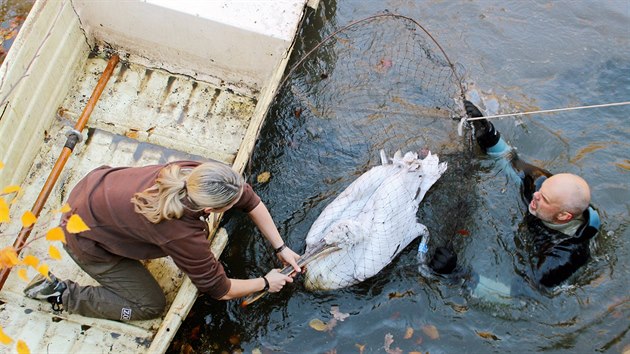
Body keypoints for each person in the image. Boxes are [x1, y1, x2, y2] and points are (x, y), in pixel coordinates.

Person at [23, 160, 301, 321]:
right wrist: (267, 282)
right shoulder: (179, 231)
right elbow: (220, 289)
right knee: (150, 306)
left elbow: (249, 199)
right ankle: (62, 294)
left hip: (92, 187)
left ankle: (119, 235)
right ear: (208, 210)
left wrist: (281, 247)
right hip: (83, 239)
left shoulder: (195, 174)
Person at [430, 100, 601, 299]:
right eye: (541, 190)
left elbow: (518, 295)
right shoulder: (541, 184)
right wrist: (488, 133)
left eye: (544, 199)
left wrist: (457, 274)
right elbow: (511, 162)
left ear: (563, 216)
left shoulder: (565, 256)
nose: (535, 195)